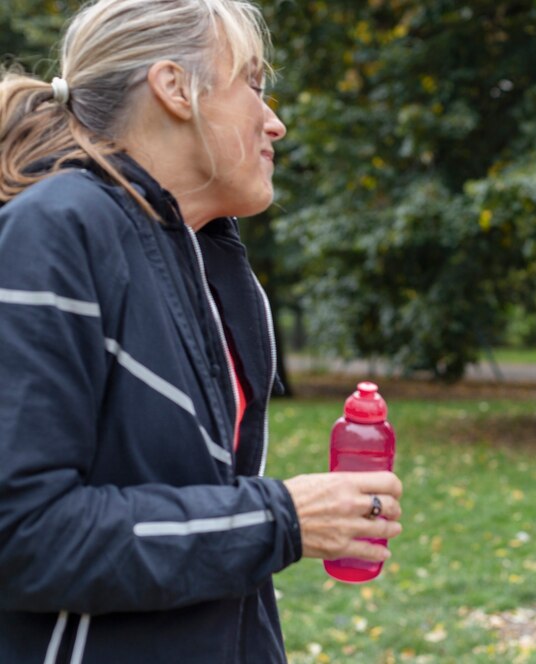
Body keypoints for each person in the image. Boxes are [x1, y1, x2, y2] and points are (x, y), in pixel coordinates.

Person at [0, 1, 402, 662]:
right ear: (174, 88)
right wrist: (282, 520)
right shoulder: (57, 232)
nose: (274, 122)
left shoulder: (212, 263)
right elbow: (22, 533)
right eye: (253, 82)